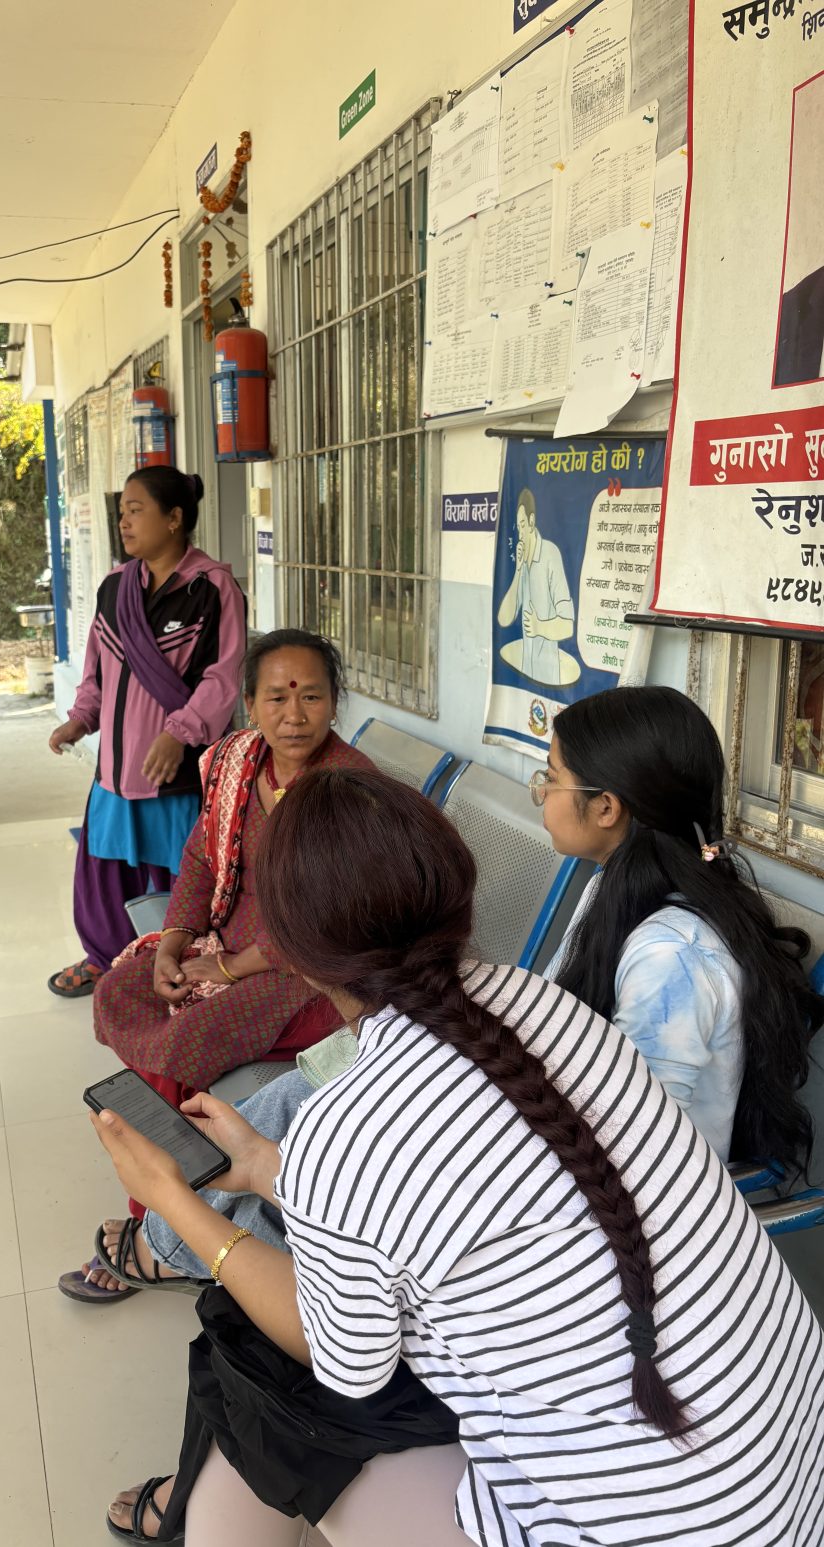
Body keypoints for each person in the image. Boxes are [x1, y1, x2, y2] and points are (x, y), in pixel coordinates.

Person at [92, 766, 824, 1547]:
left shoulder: (352, 1125)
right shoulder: (547, 1009)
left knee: (244, 1346)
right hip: (786, 1480)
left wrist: (179, 1204)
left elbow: (341, 1361)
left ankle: (198, 1522)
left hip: (634, 1525)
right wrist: (271, 1168)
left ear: (295, 954)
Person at [59, 629, 374, 1302]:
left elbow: (330, 918)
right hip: (229, 947)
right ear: (249, 704)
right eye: (277, 697)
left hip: (311, 974)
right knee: (126, 988)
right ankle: (167, 1189)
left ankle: (163, 1228)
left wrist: (226, 970)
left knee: (177, 1040)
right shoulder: (238, 762)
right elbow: (202, 857)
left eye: (313, 695)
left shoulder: (349, 787)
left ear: (335, 701)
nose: (295, 714)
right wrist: (176, 939)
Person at [539, 685, 820, 1173]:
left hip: (645, 1208)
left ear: (606, 807)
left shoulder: (672, 956)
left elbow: (631, 1143)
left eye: (552, 776)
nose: (541, 790)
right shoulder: (616, 888)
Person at [48, 467, 245, 998]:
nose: (124, 521)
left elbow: (223, 676)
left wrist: (179, 733)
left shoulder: (212, 589)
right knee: (105, 875)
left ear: (175, 518)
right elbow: (97, 670)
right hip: (113, 769)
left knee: (177, 880)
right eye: (122, 512)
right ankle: (105, 960)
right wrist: (81, 717)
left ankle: (176, 971)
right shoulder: (116, 588)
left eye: (136, 510)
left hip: (177, 774)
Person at [495, 486, 576, 686]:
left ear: (531, 522)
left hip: (549, 678)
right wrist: (518, 570)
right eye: (517, 526)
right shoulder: (524, 564)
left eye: (522, 525)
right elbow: (504, 619)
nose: (520, 532)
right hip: (527, 673)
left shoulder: (550, 555)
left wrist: (539, 626)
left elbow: (567, 626)